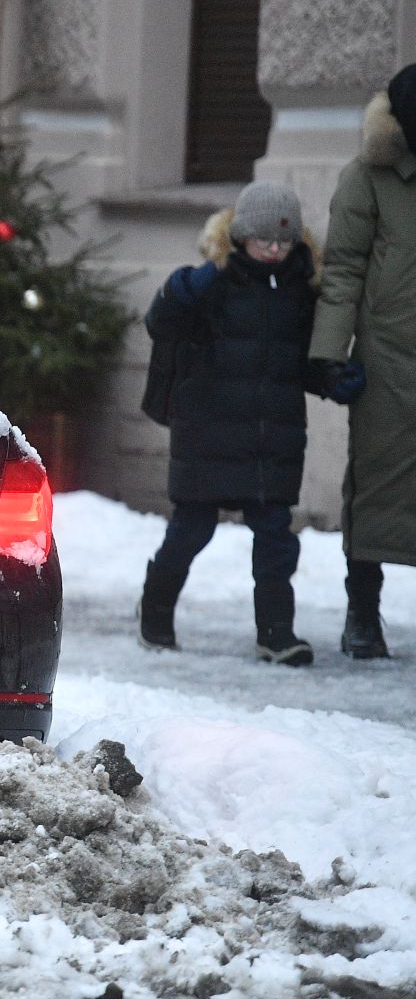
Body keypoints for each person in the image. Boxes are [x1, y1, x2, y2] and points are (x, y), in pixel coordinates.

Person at [137, 181, 337, 667]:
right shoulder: (213, 282)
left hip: (272, 438)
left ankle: (276, 632)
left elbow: (304, 360)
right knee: (191, 529)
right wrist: (187, 286)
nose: (275, 251)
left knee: (275, 537)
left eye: (285, 243)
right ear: (241, 236)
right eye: (265, 241)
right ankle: (156, 609)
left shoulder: (302, 291)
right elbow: (160, 321)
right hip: (208, 432)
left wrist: (336, 380)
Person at [309, 64, 416, 659]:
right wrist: (328, 357)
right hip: (389, 363)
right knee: (377, 490)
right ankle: (362, 614)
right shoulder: (368, 177)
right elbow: (344, 269)